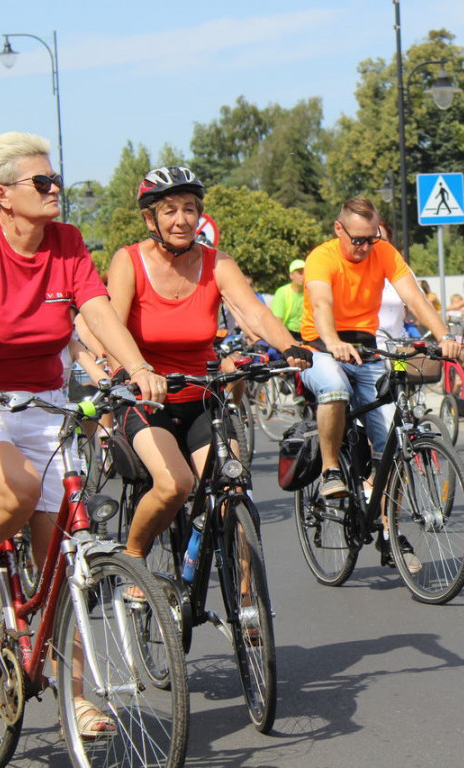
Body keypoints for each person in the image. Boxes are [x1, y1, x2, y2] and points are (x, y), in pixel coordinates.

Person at [0, 132, 167, 736]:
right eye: (42, 183)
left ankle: (76, 699)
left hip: (45, 400)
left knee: (60, 564)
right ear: (3, 195)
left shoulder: (67, 242)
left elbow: (95, 308)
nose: (56, 191)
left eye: (56, 180)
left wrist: (138, 367)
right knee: (15, 491)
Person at [105, 166, 311, 570]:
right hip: (148, 398)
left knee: (233, 487)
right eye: (169, 211)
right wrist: (130, 373)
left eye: (189, 209)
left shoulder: (217, 263)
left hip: (202, 395)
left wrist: (290, 346)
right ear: (150, 219)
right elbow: (111, 326)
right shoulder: (128, 261)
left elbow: (254, 312)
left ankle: (249, 608)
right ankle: (133, 560)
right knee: (174, 485)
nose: (181, 219)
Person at [299, 196, 459, 513]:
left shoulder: (383, 252)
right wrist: (332, 342)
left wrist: (444, 335)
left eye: (371, 239)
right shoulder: (322, 257)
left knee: (393, 441)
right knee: (334, 387)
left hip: (366, 350)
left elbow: (413, 296)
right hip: (320, 348)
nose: (365, 247)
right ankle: (331, 469)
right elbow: (321, 304)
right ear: (338, 229)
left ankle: (389, 533)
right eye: (357, 240)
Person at [270, 258, 306, 339]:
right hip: (287, 333)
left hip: (305, 334)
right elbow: (276, 321)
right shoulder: (282, 292)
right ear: (291, 276)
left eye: (305, 273)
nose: (303, 276)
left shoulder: (310, 292)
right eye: (299, 273)